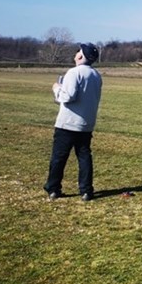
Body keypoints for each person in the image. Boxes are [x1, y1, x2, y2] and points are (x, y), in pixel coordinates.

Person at [43, 43, 103, 201]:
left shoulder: (73, 72)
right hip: (86, 124)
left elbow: (67, 97)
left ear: (81, 56)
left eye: (78, 51)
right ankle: (86, 190)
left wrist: (56, 88)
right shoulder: (97, 75)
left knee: (59, 157)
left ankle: (53, 188)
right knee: (84, 157)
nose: (76, 53)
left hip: (68, 123)